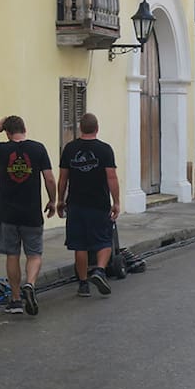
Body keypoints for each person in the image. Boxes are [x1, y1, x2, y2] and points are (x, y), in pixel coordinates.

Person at [0, 115, 57, 315]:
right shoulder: (38, 148)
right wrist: (52, 200)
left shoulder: (1, 149)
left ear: (7, 132)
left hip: (8, 213)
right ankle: (30, 284)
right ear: (24, 128)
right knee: (34, 254)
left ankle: (15, 299)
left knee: (12, 255)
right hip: (31, 212)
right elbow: (49, 179)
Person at [56, 112, 120, 297]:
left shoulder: (69, 148)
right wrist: (116, 202)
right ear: (97, 128)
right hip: (99, 203)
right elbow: (112, 177)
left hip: (75, 204)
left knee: (80, 245)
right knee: (104, 240)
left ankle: (83, 284)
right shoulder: (105, 150)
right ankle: (99, 270)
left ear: (80, 128)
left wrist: (60, 200)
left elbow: (63, 178)